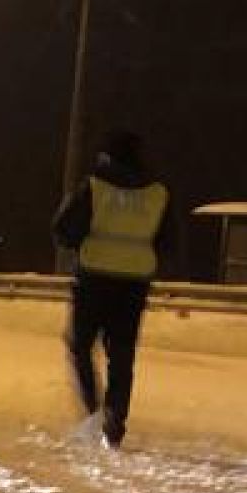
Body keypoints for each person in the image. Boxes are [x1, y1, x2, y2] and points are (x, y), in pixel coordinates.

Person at [52, 127, 171, 447]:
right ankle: (115, 422)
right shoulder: (158, 192)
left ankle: (93, 411)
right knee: (122, 354)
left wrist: (80, 242)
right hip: (133, 284)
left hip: (94, 277)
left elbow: (64, 229)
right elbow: (168, 239)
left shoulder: (94, 187)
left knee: (80, 345)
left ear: (109, 156)